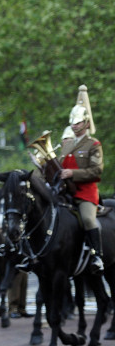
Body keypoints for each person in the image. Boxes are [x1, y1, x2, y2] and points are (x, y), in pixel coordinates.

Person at [59, 84, 104, 275]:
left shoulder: (94, 144)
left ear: (86, 123)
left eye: (77, 123)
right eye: (72, 122)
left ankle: (97, 255)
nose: (74, 125)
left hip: (85, 193)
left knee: (87, 219)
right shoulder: (67, 144)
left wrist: (72, 174)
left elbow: (96, 171)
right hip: (64, 191)